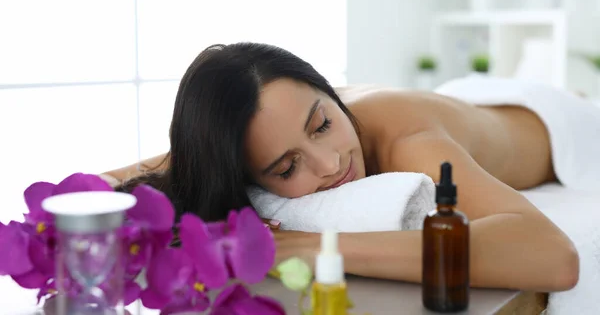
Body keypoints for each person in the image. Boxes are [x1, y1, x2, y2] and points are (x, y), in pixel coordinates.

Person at [104, 42, 579, 292]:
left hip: (559, 120)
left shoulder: (410, 143)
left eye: (323, 124)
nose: (332, 163)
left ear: (327, 91)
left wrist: (315, 247)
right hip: (464, 100)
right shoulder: (275, 121)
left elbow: (553, 257)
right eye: (287, 168)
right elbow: (128, 178)